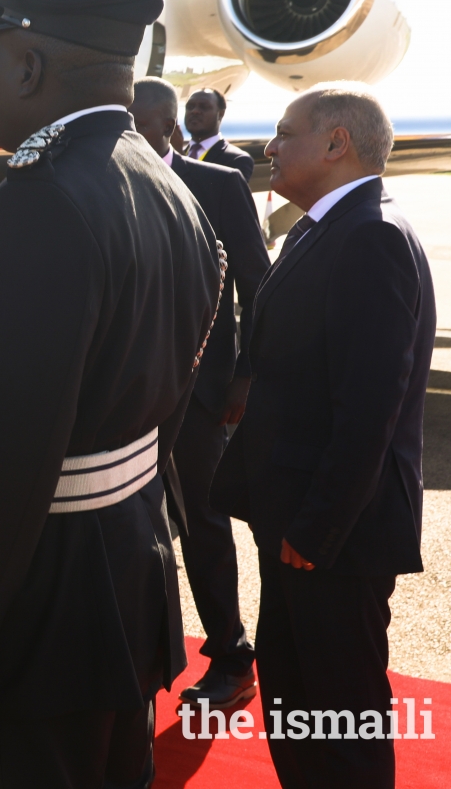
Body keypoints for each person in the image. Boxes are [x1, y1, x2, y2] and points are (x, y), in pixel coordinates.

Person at [0, 0, 223, 787]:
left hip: (42, 609)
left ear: (30, 67)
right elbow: (170, 408)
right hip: (123, 576)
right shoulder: (171, 191)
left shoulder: (42, 205)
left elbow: (14, 464)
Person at [210, 83, 432, 789]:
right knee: (294, 703)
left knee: (340, 725)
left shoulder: (371, 236)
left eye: (284, 133)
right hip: (299, 532)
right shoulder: (324, 227)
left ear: (337, 142)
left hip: (333, 541)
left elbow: (370, 411)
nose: (269, 147)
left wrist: (315, 532)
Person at [130, 77, 270, 709]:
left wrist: (243, 374)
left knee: (203, 526)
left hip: (198, 395)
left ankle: (233, 656)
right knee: (132, 523)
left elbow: (257, 288)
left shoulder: (217, 184)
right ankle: (142, 651)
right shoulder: (110, 184)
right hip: (126, 396)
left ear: (165, 126)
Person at [183, 87, 255, 183]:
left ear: (221, 114)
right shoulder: (176, 153)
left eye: (204, 107)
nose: (195, 111)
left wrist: (179, 159)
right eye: (190, 106)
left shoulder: (237, 160)